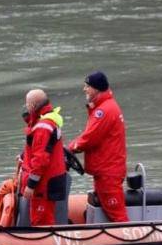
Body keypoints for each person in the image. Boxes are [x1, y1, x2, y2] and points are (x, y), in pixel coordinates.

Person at [68, 71, 129, 222]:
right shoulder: (104, 107)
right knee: (110, 212)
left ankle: (133, 243)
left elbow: (89, 139)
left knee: (118, 216)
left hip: (108, 172)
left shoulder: (104, 111)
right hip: (106, 170)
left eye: (87, 86)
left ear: (96, 88)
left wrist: (70, 148)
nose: (84, 89)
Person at [20, 89, 67, 226]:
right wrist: (24, 157)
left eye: (27, 103)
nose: (26, 107)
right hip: (49, 179)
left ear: (33, 105)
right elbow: (40, 149)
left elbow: (41, 160)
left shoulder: (43, 126)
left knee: (42, 221)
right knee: (43, 217)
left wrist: (31, 185)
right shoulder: (48, 121)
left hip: (43, 184)